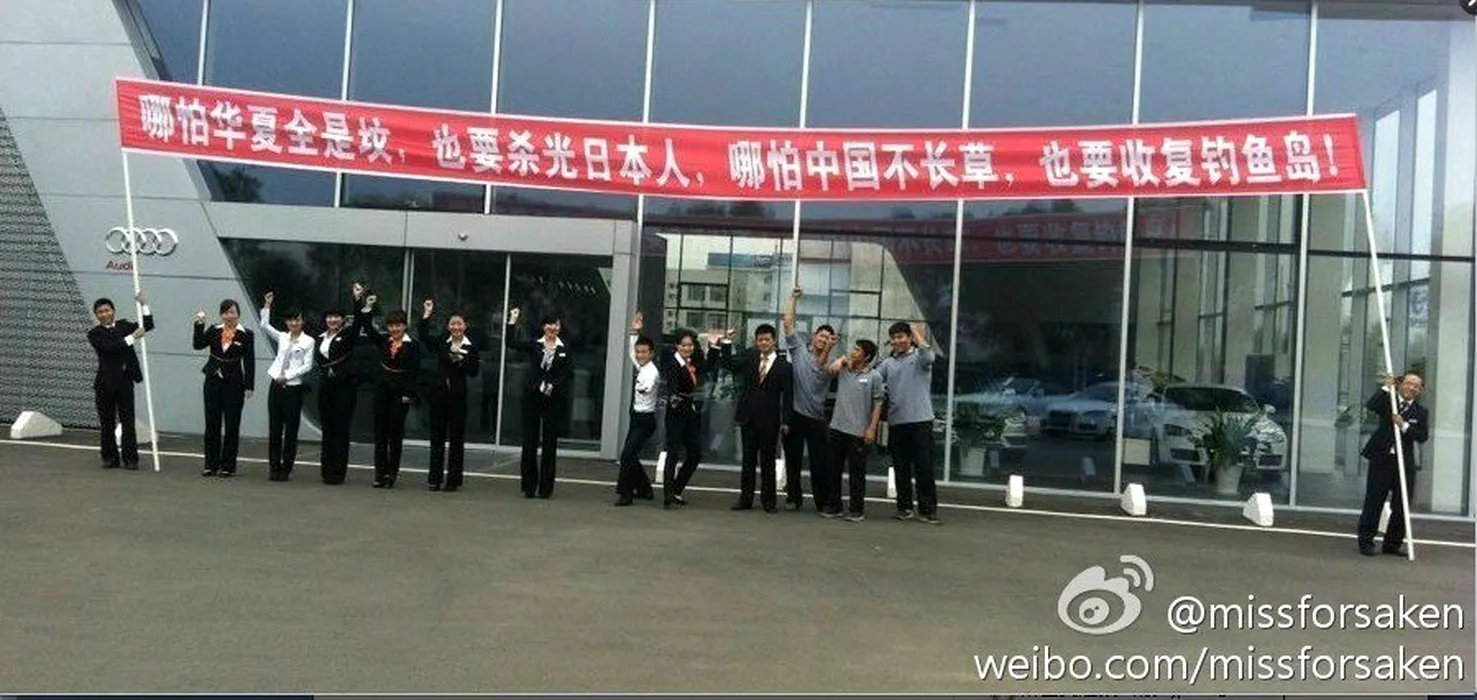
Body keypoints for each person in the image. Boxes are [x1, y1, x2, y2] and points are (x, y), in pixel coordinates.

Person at [715, 324, 793, 513]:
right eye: (760, 340)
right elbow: (727, 364)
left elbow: (789, 396)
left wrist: (786, 421)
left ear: (774, 341)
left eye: (767, 339)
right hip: (748, 417)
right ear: (756, 341)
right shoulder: (749, 357)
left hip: (770, 420)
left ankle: (769, 501)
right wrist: (727, 342)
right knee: (748, 461)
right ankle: (745, 499)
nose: (763, 343)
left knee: (767, 461)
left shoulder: (784, 366)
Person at [874, 321, 941, 524]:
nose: (897, 341)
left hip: (921, 421)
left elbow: (929, 356)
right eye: (894, 338)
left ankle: (927, 510)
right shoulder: (888, 363)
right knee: (901, 468)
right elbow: (874, 378)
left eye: (901, 337)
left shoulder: (919, 358)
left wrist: (916, 333)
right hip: (897, 423)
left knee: (924, 467)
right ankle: (904, 508)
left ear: (909, 338)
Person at [1356, 372, 1429, 557]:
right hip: (1382, 460)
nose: (1411, 388)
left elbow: (1422, 436)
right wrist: (1386, 387)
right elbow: (1372, 406)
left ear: (1420, 390)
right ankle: (1366, 541)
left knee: (1401, 505)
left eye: (1416, 386)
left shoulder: (1421, 412)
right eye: (1408, 383)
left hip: (1405, 464)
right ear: (1401, 384)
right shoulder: (1389, 402)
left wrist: (1404, 425)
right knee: (1374, 501)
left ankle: (1392, 545)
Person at [506, 307, 573, 499]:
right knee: (530, 441)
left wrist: (554, 385)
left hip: (554, 398)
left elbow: (567, 373)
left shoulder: (565, 348)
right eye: (549, 324)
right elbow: (511, 342)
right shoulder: (535, 345)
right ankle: (529, 486)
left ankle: (546, 488)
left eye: (556, 324)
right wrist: (512, 321)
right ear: (543, 327)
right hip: (532, 396)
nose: (552, 328)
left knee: (550, 443)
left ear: (560, 327)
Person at [780, 286, 836, 511]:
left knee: (819, 462)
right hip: (795, 416)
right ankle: (793, 498)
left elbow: (820, 366)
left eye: (829, 338)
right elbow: (787, 323)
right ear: (813, 336)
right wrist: (793, 298)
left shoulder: (830, 363)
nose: (824, 339)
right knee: (792, 461)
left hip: (816, 419)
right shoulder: (799, 350)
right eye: (822, 335)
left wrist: (829, 350)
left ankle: (822, 502)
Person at [357, 294, 421, 489]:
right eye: (391, 326)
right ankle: (379, 473)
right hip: (382, 391)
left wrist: (409, 394)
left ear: (405, 326)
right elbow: (369, 330)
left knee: (395, 433)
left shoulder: (413, 345)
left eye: (398, 325)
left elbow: (414, 372)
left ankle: (391, 473)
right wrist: (367, 308)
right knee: (380, 433)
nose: (395, 329)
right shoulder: (384, 341)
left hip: (400, 393)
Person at [653, 326, 721, 509]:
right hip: (676, 411)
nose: (687, 348)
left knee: (695, 453)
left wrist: (714, 346)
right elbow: (672, 383)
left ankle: (676, 489)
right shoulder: (672, 363)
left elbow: (708, 366)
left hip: (691, 411)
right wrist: (674, 396)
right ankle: (668, 495)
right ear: (677, 346)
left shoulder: (693, 361)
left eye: (690, 345)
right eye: (683, 345)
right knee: (673, 452)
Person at [419, 298, 482, 492]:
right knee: (437, 437)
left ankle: (453, 480)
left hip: (458, 396)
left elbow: (474, 371)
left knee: (456, 439)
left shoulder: (471, 346)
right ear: (448, 326)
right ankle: (434, 478)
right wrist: (426, 314)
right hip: (439, 395)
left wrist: (459, 361)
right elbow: (424, 336)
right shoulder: (442, 342)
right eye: (453, 324)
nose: (456, 327)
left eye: (459, 324)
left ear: (465, 326)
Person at [87, 291, 154, 470]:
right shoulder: (94, 334)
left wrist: (144, 305)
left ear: (113, 311)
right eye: (100, 312)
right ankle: (109, 457)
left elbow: (148, 325)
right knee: (107, 422)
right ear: (96, 315)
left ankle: (130, 459)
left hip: (125, 381)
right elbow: (111, 348)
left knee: (128, 421)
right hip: (105, 383)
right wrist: (133, 337)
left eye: (107, 310)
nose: (104, 314)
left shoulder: (124, 325)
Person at [193, 298, 255, 478]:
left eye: (232, 312)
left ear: (238, 314)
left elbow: (249, 361)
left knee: (232, 425)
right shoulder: (214, 330)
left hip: (234, 383)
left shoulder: (246, 334)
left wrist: (249, 385)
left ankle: (228, 466)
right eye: (226, 312)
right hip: (213, 381)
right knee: (212, 424)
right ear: (221, 315)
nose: (229, 316)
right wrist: (199, 325)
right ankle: (210, 465)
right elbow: (198, 345)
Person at [825, 339, 885, 521]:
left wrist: (872, 429)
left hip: (858, 432)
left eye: (857, 350)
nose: (853, 352)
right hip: (837, 428)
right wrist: (841, 360)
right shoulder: (844, 370)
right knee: (833, 470)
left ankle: (856, 509)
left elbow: (878, 404)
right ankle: (834, 506)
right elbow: (829, 369)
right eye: (854, 348)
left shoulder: (874, 376)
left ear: (866, 357)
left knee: (857, 473)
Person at [314, 283, 368, 485]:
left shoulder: (347, 335)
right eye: (329, 317)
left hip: (344, 388)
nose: (332, 320)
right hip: (326, 387)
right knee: (327, 428)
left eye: (336, 317)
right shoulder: (320, 337)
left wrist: (357, 299)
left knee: (341, 429)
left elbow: (359, 321)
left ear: (342, 319)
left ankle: (338, 472)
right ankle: (326, 470)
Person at [260, 292, 316, 482]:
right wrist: (267, 305)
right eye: (290, 320)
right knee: (275, 428)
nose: (294, 323)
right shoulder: (282, 337)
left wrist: (288, 377)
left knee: (291, 429)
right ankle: (274, 466)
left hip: (293, 387)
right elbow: (264, 326)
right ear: (286, 322)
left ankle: (286, 468)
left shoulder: (308, 341)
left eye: (297, 320)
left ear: (302, 321)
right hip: (276, 385)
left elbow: (307, 366)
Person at [615, 312, 660, 506]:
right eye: (639, 352)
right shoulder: (642, 366)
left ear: (651, 354)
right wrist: (635, 331)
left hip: (646, 420)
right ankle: (645, 488)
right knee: (630, 454)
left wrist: (641, 386)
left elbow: (645, 388)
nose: (640, 355)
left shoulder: (652, 372)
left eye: (644, 352)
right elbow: (631, 353)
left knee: (627, 455)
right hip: (635, 417)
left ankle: (625, 494)